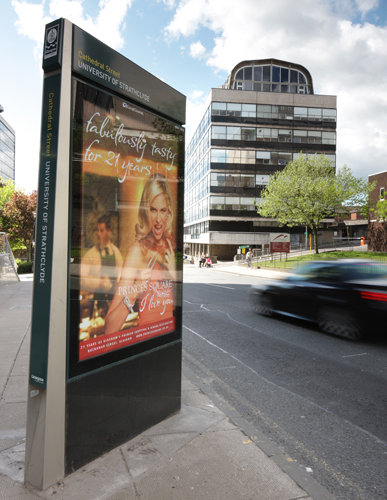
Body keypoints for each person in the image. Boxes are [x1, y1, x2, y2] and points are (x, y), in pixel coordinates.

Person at [104, 173, 176, 335]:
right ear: (145, 211)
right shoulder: (137, 252)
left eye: (163, 210)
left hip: (166, 338)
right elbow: (109, 329)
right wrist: (134, 290)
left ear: (168, 213)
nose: (158, 219)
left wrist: (173, 275)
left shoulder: (169, 249)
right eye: (153, 210)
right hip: (148, 340)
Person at [81, 214, 123, 308]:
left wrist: (118, 283)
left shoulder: (116, 253)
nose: (98, 234)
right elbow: (82, 279)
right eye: (97, 230)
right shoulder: (91, 254)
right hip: (96, 302)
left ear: (108, 231)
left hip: (114, 301)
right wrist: (99, 283)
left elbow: (121, 274)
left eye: (101, 230)